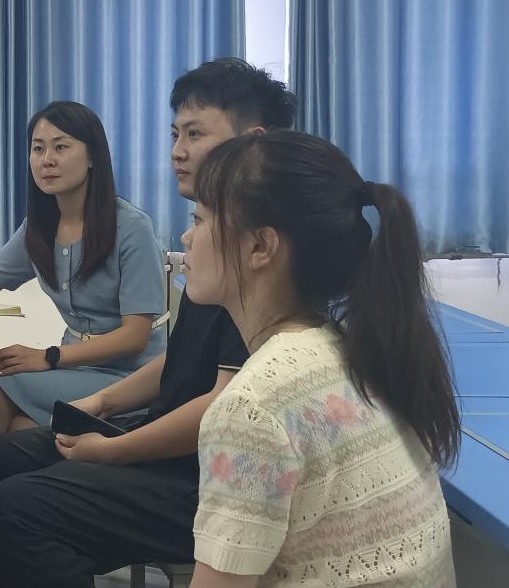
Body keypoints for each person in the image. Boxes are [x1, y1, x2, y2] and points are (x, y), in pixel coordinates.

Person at [0, 58, 297, 587]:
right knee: (5, 455)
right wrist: (101, 405)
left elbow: (222, 405)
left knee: (20, 507)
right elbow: (182, 361)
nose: (177, 151)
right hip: (169, 436)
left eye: (194, 134)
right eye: (175, 134)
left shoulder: (258, 251)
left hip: (210, 475)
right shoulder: (218, 236)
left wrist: (114, 451)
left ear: (253, 142)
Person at [184, 130, 457, 587]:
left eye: (199, 219)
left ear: (260, 247)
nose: (186, 236)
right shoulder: (351, 352)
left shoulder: (252, 409)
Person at [0, 101, 166, 442]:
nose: (47, 159)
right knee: (19, 428)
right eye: (38, 149)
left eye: (61, 147)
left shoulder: (131, 227)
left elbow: (135, 336)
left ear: (92, 157)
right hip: (76, 366)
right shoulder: (40, 226)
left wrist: (49, 357)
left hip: (132, 377)